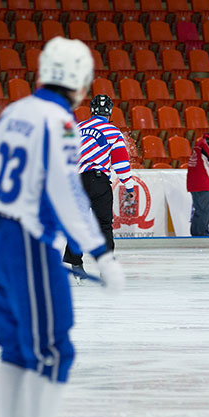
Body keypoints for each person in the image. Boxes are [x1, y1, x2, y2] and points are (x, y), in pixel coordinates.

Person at [0, 36, 125, 417]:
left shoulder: (14, 113)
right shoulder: (61, 122)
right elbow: (67, 193)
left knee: (16, 348)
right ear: (80, 81)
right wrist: (100, 251)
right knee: (55, 348)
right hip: (27, 240)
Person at [61, 94, 135, 279]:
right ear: (109, 111)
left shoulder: (78, 128)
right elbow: (120, 163)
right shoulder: (113, 132)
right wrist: (129, 186)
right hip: (99, 181)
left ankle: (75, 263)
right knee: (103, 225)